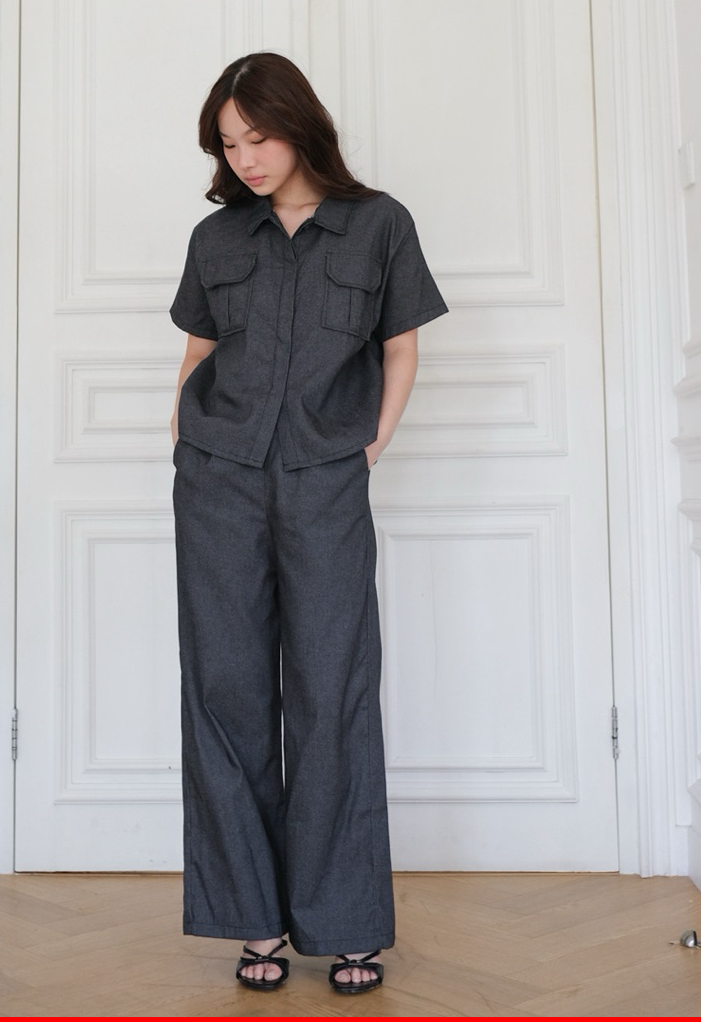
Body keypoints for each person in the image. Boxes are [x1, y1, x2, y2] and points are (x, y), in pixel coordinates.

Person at [169, 52, 447, 995]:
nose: (245, 158)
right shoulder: (216, 238)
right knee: (226, 691)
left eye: (259, 137)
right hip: (218, 479)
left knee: (333, 689)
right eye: (228, 144)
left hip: (325, 479)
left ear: (301, 127)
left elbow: (400, 347)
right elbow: (199, 349)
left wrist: (370, 445)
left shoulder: (379, 224)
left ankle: (347, 922)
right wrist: (183, 434)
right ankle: (255, 919)